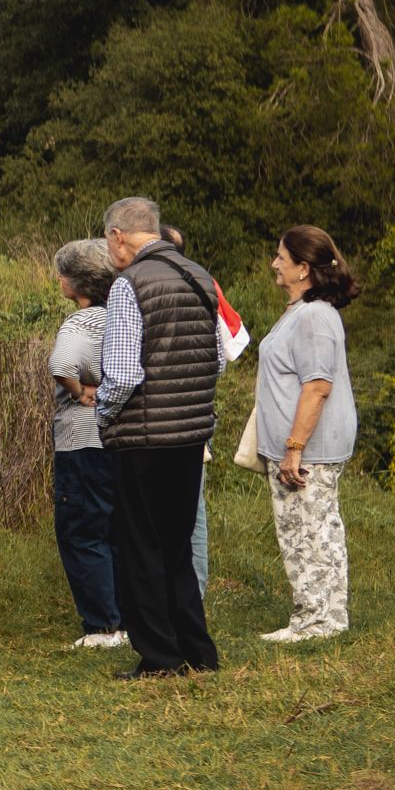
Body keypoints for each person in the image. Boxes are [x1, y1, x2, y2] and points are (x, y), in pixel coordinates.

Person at [98, 196, 227, 679]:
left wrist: (105, 415)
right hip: (191, 432)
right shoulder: (198, 275)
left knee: (141, 547)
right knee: (176, 545)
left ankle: (160, 657)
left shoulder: (129, 286)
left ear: (118, 237)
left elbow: (124, 373)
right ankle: (198, 650)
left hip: (144, 435)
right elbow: (216, 356)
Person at [255, 226, 360, 644]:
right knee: (316, 529)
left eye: (281, 256)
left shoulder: (315, 316)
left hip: (307, 450)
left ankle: (315, 621)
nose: (274, 263)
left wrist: (293, 448)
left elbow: (317, 386)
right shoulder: (304, 311)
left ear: (303, 268)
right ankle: (328, 618)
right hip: (305, 447)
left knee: (305, 532)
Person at [160, 221, 249, 594]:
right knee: (191, 510)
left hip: (169, 415)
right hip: (197, 411)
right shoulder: (203, 284)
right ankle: (190, 592)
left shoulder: (153, 288)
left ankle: (179, 592)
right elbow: (219, 360)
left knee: (177, 512)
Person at [48, 237, 126, 650]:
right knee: (116, 529)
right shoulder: (124, 317)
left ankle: (101, 625)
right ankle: (125, 618)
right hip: (118, 439)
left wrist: (79, 392)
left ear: (76, 283)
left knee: (82, 531)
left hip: (81, 438)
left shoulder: (80, 322)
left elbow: (61, 365)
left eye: (63, 273)